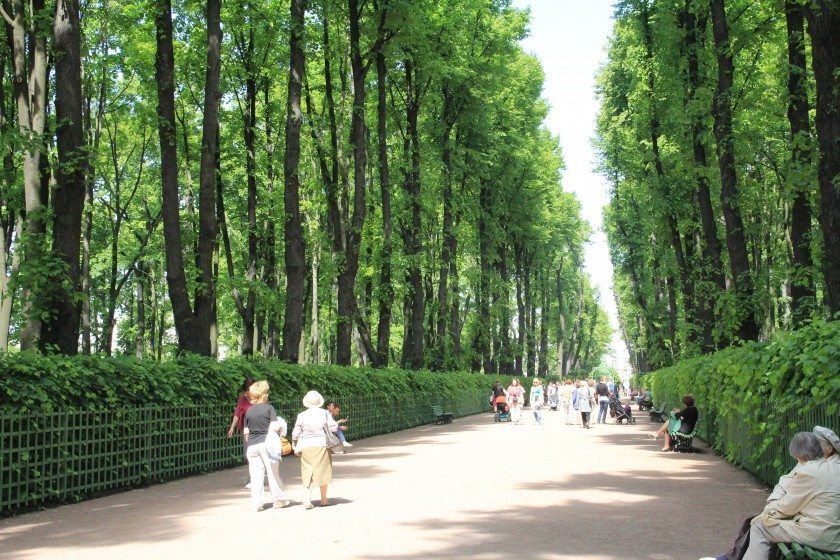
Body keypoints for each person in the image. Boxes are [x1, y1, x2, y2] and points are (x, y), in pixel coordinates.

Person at [702, 426, 840, 560]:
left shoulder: (811, 469)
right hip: (827, 532)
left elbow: (789, 506)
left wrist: (770, 509)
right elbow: (786, 482)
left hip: (818, 533)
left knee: (760, 526)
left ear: (830, 449)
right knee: (759, 522)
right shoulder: (821, 465)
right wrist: (774, 503)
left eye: (817, 443)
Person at [243, 380, 291, 511]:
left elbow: (246, 432)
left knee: (255, 476)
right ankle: (279, 500)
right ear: (264, 395)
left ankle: (257, 503)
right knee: (272, 473)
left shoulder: (248, 411)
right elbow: (274, 427)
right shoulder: (269, 408)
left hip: (252, 446)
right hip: (266, 444)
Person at [292, 390, 339, 509]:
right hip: (321, 444)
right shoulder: (325, 413)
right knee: (323, 470)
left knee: (307, 471)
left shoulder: (301, 415)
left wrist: (294, 442)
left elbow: (295, 433)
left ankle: (307, 499)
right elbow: (333, 428)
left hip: (306, 445)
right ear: (319, 402)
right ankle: (324, 499)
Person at [227, 377, 255, 488]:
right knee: (248, 454)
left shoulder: (259, 398)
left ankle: (252, 479)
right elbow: (238, 412)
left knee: (255, 454)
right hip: (246, 430)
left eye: (249, 389)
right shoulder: (243, 398)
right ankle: (253, 478)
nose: (247, 392)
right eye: (246, 389)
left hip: (258, 429)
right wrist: (232, 427)